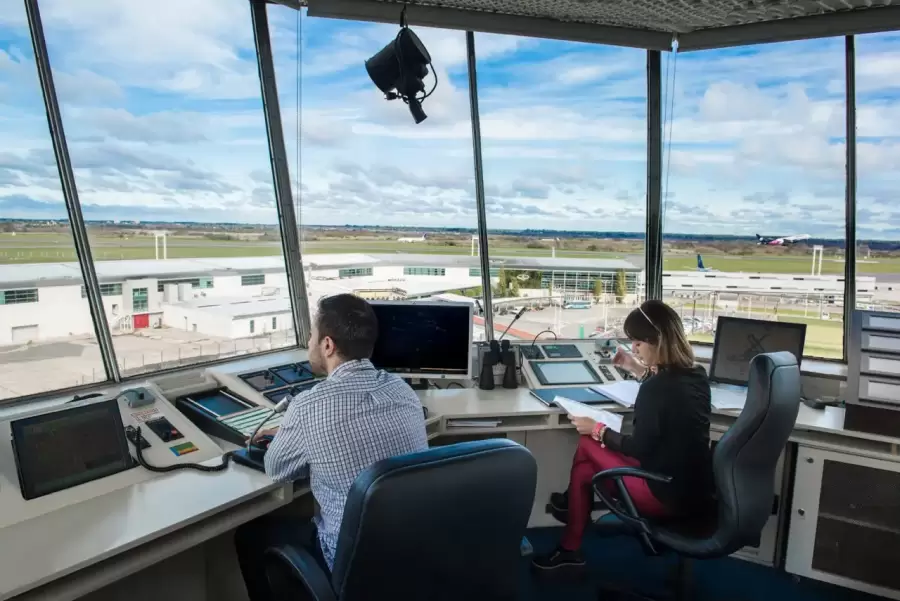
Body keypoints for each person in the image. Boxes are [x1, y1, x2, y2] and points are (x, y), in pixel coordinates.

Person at [235, 293, 429, 599]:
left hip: (351, 561)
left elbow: (276, 469)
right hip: (411, 550)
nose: (309, 344)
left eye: (311, 336)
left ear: (327, 345)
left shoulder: (308, 406)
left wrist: (288, 433)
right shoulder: (401, 390)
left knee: (250, 535)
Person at [532, 299, 714, 571]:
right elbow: (666, 393)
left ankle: (570, 509)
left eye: (638, 344)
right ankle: (569, 545)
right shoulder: (696, 374)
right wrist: (636, 367)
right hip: (693, 489)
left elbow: (639, 447)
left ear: (657, 341)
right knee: (583, 473)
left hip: (663, 492)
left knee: (586, 443)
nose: (634, 348)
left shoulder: (657, 387)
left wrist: (597, 429)